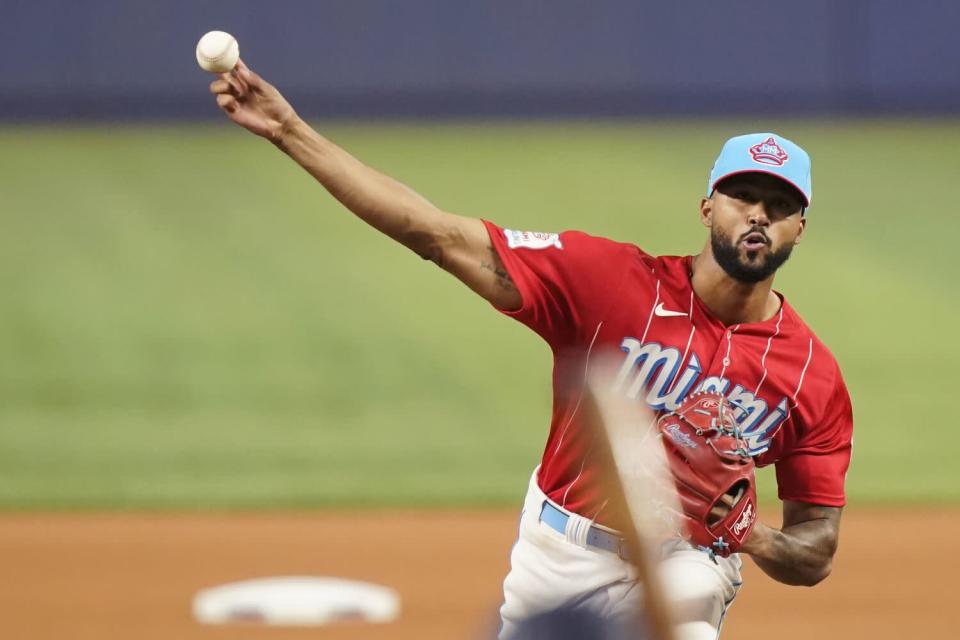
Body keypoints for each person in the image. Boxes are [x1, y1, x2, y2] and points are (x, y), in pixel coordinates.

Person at [208, 61, 853, 640]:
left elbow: (816, 547)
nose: (759, 215)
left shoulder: (810, 376)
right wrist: (289, 129)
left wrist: (751, 535)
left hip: (689, 566)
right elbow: (437, 235)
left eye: (780, 204)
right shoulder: (609, 283)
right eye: (744, 196)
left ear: (801, 224)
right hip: (562, 551)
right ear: (709, 204)